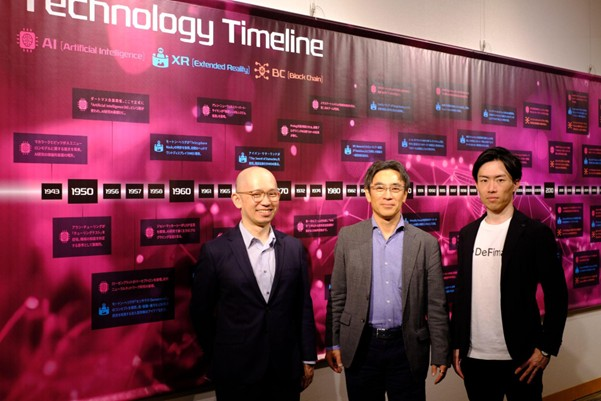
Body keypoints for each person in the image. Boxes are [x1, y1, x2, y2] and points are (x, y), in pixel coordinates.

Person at [325, 160, 450, 401]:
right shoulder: (348, 237)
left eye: (395, 188)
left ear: (405, 194)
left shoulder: (426, 243)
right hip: (361, 346)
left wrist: (440, 352)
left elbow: (436, 304)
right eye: (380, 188)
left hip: (406, 347)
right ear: (367, 193)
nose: (388, 195)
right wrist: (333, 343)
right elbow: (338, 295)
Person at [450, 147, 568, 401]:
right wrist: (457, 343)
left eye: (500, 179)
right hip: (475, 357)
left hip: (522, 357)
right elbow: (461, 293)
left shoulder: (535, 233)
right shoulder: (468, 234)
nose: (491, 188)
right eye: (484, 180)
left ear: (515, 183)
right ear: (476, 184)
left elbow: (557, 295)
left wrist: (546, 349)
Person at [190, 166, 317, 401]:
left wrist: (308, 357)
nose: (266, 202)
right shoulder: (215, 252)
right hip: (236, 373)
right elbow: (201, 314)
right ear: (237, 199)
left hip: (285, 371)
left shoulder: (293, 248)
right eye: (256, 194)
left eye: (272, 194)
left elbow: (303, 307)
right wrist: (219, 356)